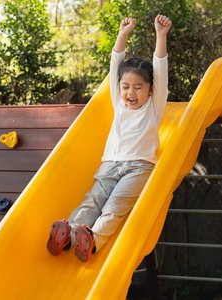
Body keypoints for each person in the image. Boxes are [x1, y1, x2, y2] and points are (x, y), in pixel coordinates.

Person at [47, 14, 172, 262]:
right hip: (110, 163)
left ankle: (93, 240)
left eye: (138, 87)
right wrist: (121, 35)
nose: (130, 92)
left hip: (140, 166)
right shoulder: (118, 100)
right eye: (126, 86)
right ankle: (69, 235)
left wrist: (161, 35)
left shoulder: (154, 106)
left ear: (150, 89)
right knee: (92, 200)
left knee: (115, 206)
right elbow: (116, 63)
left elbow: (160, 67)